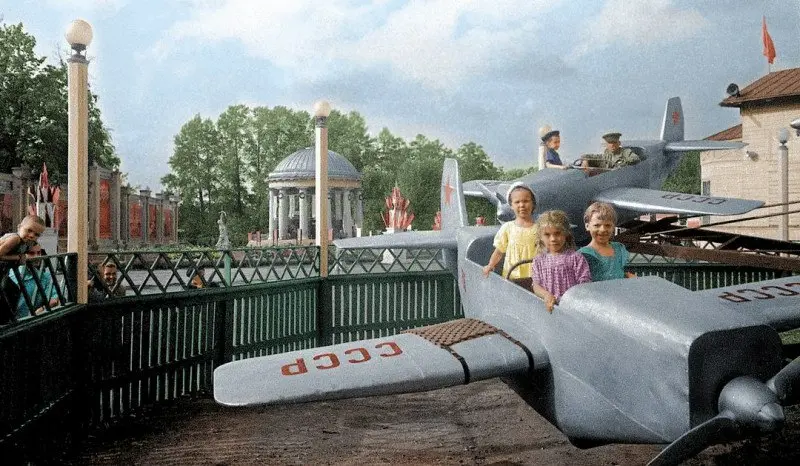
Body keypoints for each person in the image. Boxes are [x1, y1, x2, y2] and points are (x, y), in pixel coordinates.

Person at [531, 210, 592, 313]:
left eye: (557, 233)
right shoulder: (538, 261)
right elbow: (536, 285)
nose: (553, 239)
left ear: (566, 233)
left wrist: (570, 299)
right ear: (540, 237)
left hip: (571, 309)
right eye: (547, 235)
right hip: (548, 308)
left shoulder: (576, 258)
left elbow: (585, 283)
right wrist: (546, 295)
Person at [482, 183, 538, 286]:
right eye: (517, 202)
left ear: (533, 203)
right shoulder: (507, 228)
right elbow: (499, 251)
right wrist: (490, 265)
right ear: (511, 205)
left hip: (535, 278)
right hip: (512, 277)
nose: (522, 205)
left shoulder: (539, 229)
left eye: (526, 201)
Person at [1, 215, 46, 322]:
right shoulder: (15, 239)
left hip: (3, 271)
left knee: (13, 291)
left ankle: (7, 321)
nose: (31, 235)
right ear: (19, 227)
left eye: (36, 234)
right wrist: (18, 257)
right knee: (6, 292)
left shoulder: (28, 243)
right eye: (29, 230)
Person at [578, 202, 636, 281]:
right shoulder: (583, 254)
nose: (603, 230)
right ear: (587, 226)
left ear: (613, 227)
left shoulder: (619, 249)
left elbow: (624, 273)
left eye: (607, 225)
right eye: (597, 225)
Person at [7, 244, 59, 319]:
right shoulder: (10, 275)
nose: (37, 256)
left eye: (39, 252)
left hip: (33, 320)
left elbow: (54, 300)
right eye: (31, 253)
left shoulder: (45, 277)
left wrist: (41, 310)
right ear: (21, 255)